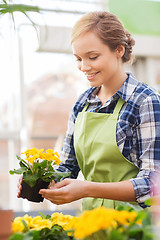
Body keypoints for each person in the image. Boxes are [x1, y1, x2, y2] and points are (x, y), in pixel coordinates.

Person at [18, 11, 160, 211]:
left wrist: (87, 189)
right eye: (78, 59)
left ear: (119, 50)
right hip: (92, 224)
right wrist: (39, 180)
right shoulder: (83, 102)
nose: (84, 67)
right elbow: (67, 167)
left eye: (93, 57)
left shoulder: (145, 101)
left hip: (136, 226)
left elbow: (152, 186)